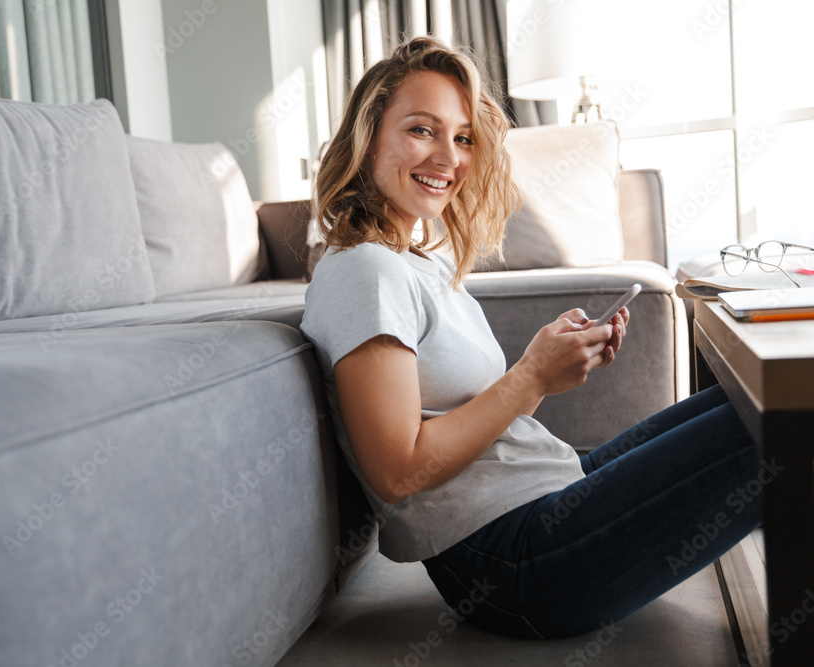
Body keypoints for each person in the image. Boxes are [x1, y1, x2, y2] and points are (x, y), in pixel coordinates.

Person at [299, 36, 761, 640]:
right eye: (422, 130)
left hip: (545, 495)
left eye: (463, 137)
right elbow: (398, 471)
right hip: (514, 558)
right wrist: (530, 377)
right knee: (776, 426)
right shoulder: (364, 271)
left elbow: (471, 418)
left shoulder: (414, 261)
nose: (448, 156)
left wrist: (545, 367)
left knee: (751, 398)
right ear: (368, 137)